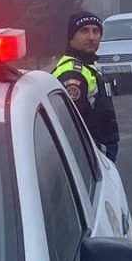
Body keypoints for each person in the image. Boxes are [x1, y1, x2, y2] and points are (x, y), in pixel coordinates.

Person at [52, 12, 120, 161]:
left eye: (96, 31)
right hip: (90, 156)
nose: (91, 37)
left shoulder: (87, 66)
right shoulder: (72, 73)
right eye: (84, 31)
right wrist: (96, 156)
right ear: (71, 37)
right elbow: (74, 126)